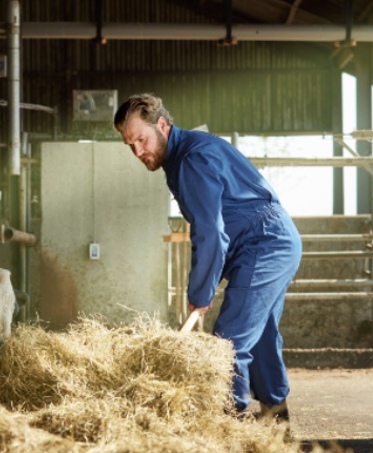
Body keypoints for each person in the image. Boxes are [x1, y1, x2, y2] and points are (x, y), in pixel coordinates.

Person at [114, 94, 302, 419]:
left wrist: (200, 295)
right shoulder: (187, 153)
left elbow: (210, 231)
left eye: (141, 139)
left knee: (227, 344)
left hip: (263, 243)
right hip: (273, 241)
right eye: (131, 145)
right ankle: (277, 419)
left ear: (161, 125)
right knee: (260, 336)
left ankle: (226, 427)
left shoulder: (190, 159)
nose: (139, 151)